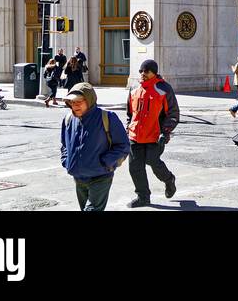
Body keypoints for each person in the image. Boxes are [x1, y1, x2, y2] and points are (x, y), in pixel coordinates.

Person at [60, 82, 130, 212]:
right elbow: (64, 145)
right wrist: (67, 161)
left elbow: (123, 146)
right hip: (79, 177)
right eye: (71, 102)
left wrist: (106, 162)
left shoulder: (107, 118)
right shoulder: (68, 119)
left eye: (78, 102)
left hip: (100, 177)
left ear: (89, 100)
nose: (74, 106)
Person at [126, 58, 179, 208]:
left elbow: (173, 113)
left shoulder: (164, 88)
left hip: (155, 136)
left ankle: (169, 180)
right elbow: (130, 113)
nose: (143, 73)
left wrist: (166, 131)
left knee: (152, 162)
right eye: (141, 71)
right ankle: (143, 197)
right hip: (134, 136)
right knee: (135, 167)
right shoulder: (134, 89)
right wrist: (127, 128)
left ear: (154, 73)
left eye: (146, 71)